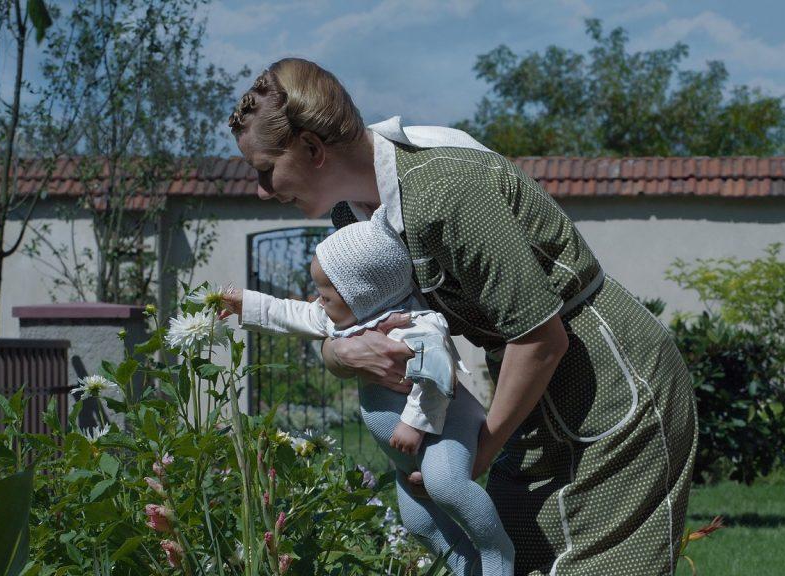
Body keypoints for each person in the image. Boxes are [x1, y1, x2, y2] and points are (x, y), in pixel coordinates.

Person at [228, 57, 698, 575]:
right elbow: (339, 323)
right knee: (521, 558)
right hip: (530, 393)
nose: (262, 190)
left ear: (313, 149)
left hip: (607, 383)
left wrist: (477, 455)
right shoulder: (351, 217)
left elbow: (542, 339)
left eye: (265, 170)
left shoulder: (446, 192)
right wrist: (342, 353)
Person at [224, 209, 514, 576]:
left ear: (362, 294)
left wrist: (414, 423)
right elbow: (292, 314)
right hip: (407, 453)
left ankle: (496, 552)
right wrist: (244, 304)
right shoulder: (348, 318)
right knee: (418, 522)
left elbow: (438, 375)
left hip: (443, 428)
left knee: (445, 484)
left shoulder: (417, 325)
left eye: (326, 294)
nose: (318, 300)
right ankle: (466, 565)